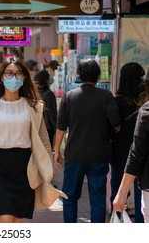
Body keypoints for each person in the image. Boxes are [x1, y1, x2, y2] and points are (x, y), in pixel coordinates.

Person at [0, 57, 67, 223]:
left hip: (25, 168)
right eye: (9, 73)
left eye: (19, 74)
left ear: (25, 78)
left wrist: (48, 164)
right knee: (5, 219)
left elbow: (43, 140)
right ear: (2, 77)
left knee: (18, 220)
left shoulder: (34, 107)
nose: (14, 77)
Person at [54, 58, 121, 223]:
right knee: (97, 198)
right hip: (99, 155)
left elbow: (61, 127)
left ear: (79, 75)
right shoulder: (106, 96)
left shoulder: (69, 97)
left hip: (74, 155)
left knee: (69, 196)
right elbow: (116, 123)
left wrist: (57, 151)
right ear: (98, 76)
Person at [110, 62, 146, 223]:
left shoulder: (116, 102)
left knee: (118, 189)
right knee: (141, 193)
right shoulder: (144, 105)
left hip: (119, 153)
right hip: (143, 156)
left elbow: (111, 128)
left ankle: (118, 220)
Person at [33, 70, 57, 147]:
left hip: (37, 127)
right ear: (46, 80)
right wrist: (56, 128)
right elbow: (52, 113)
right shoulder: (49, 94)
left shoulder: (35, 93)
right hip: (48, 127)